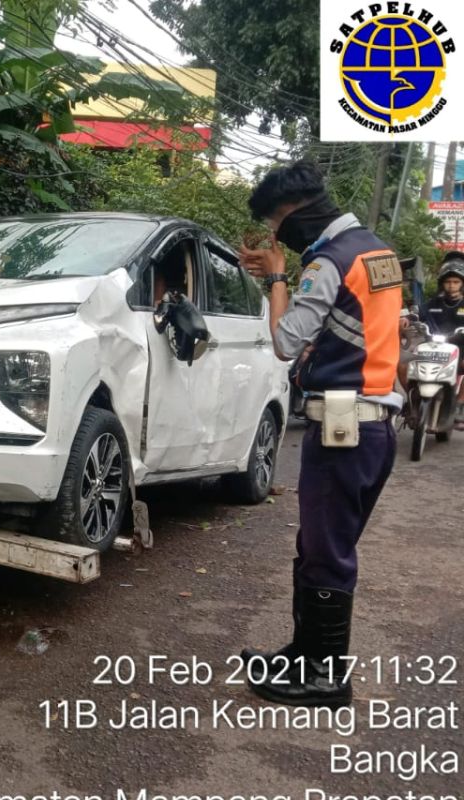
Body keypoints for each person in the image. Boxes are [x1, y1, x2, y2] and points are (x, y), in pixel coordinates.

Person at [237, 161, 401, 709]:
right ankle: (303, 655)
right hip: (372, 425)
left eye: (277, 222)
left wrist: (277, 276)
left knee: (327, 552)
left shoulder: (329, 262)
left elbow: (286, 341)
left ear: (296, 213)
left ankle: (327, 679)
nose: (277, 233)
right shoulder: (375, 250)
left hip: (345, 425)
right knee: (317, 545)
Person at [418, 256, 464, 426]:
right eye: (448, 282)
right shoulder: (433, 303)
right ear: (442, 284)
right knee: (402, 365)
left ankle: (460, 403)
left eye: (456, 282)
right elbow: (417, 313)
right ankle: (412, 401)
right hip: (432, 348)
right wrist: (407, 318)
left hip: (460, 351)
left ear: (462, 284)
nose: (451, 285)